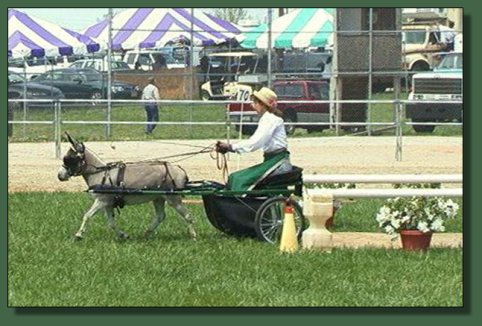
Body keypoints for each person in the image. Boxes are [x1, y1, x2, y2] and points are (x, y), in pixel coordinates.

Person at [216, 87, 292, 191]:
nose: (253, 105)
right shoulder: (268, 119)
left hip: (277, 164)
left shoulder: (270, 120)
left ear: (262, 104)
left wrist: (231, 147)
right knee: (236, 177)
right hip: (272, 161)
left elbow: (255, 143)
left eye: (255, 102)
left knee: (238, 179)